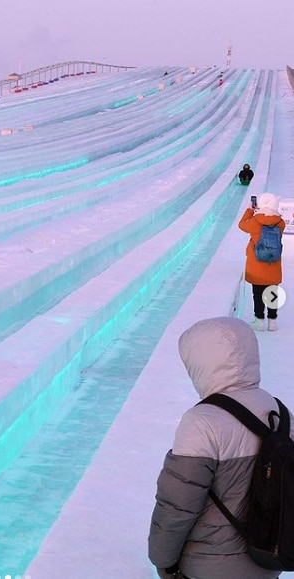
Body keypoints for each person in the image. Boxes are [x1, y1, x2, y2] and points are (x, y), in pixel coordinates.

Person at [148, 316, 293, 579]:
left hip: (207, 567)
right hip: (268, 557)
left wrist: (163, 560)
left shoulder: (202, 422)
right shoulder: (281, 412)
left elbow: (177, 505)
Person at [238, 192, 285, 331]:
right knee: (272, 293)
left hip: (257, 265)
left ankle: (259, 321)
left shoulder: (255, 222)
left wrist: (250, 210)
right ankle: (272, 322)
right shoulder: (280, 223)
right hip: (273, 264)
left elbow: (241, 225)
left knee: (257, 294)